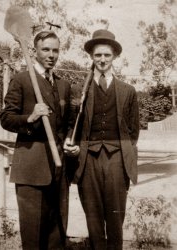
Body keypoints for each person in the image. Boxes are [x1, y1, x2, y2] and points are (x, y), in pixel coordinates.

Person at [64, 29, 139, 250]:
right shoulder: (80, 90)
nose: (102, 60)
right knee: (93, 217)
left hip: (117, 160)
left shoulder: (128, 91)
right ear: (91, 57)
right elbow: (71, 125)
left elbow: (133, 131)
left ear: (114, 55)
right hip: (87, 161)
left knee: (115, 217)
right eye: (98, 55)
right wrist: (70, 142)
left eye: (107, 55)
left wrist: (121, 153)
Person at [0, 31, 70, 250]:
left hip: (59, 167)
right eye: (45, 49)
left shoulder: (63, 85)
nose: (51, 54)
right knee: (33, 235)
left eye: (55, 50)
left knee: (57, 233)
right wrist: (30, 118)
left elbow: (67, 123)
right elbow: (7, 118)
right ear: (35, 51)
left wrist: (69, 139)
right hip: (31, 167)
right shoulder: (21, 80)